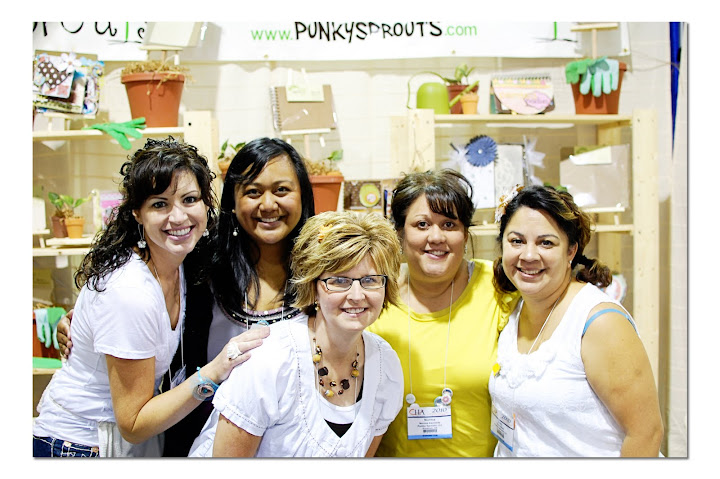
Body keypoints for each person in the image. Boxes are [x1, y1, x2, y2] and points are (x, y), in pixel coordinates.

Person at [55, 137, 315, 456]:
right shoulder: (200, 261)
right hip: (201, 440)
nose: (268, 204)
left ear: (303, 194)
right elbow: (121, 301)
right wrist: (77, 324)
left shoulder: (323, 269)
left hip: (297, 441)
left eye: (282, 190)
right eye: (253, 191)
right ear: (231, 200)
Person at [188, 211, 404, 457]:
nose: (356, 295)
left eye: (370, 280)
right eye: (339, 281)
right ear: (313, 287)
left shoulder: (385, 366)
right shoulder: (270, 360)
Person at [488, 184, 663, 457]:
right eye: (516, 241)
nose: (528, 255)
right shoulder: (514, 309)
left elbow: (646, 433)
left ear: (571, 251)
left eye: (546, 243)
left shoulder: (599, 322)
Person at [367, 169, 519, 457]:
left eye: (449, 224)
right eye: (422, 224)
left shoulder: (499, 286)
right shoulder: (374, 297)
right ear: (399, 232)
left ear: (465, 234)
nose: (436, 237)